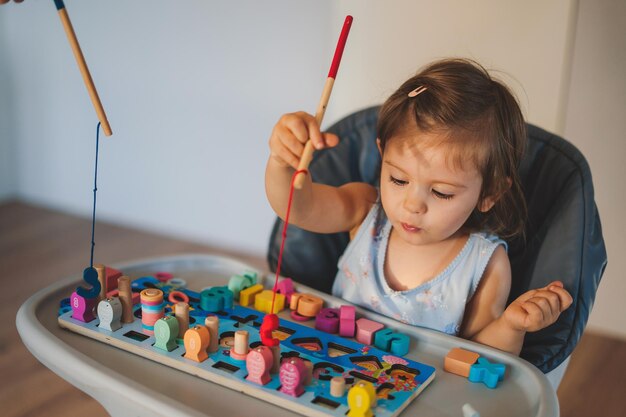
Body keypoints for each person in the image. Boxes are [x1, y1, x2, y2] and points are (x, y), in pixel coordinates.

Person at [265, 58, 573, 355]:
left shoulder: (484, 265)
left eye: (441, 192)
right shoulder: (365, 210)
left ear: (489, 193)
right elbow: (297, 208)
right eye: (398, 179)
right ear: (381, 154)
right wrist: (281, 161)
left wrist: (511, 325)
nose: (412, 205)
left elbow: (479, 356)